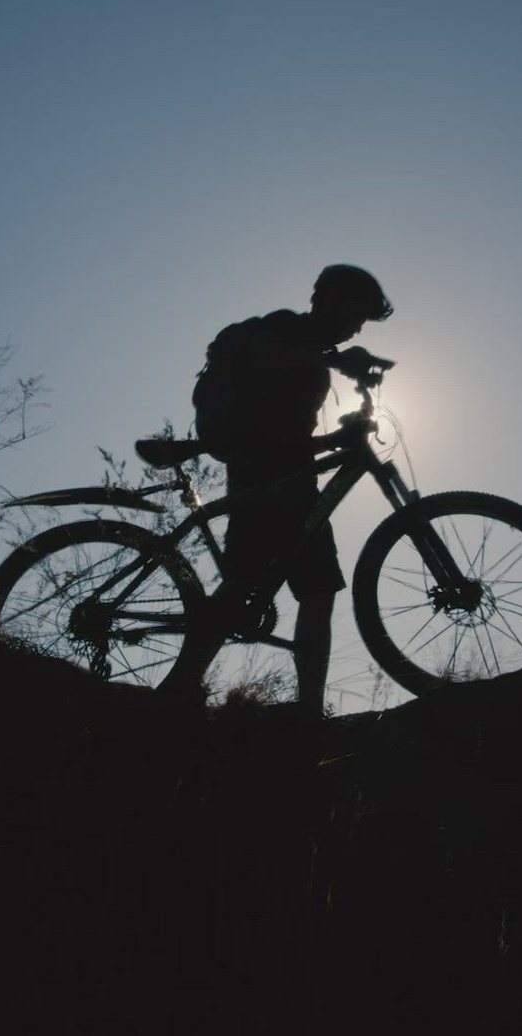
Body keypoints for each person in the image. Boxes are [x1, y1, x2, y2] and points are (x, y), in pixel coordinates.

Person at [160, 264, 394, 713]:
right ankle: (180, 687)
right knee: (243, 581)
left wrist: (334, 438)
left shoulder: (314, 351)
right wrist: (336, 360)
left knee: (318, 591)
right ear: (331, 300)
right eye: (357, 313)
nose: (357, 325)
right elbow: (269, 358)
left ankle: (309, 708)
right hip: (260, 470)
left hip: (292, 474)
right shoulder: (285, 326)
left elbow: (285, 428)